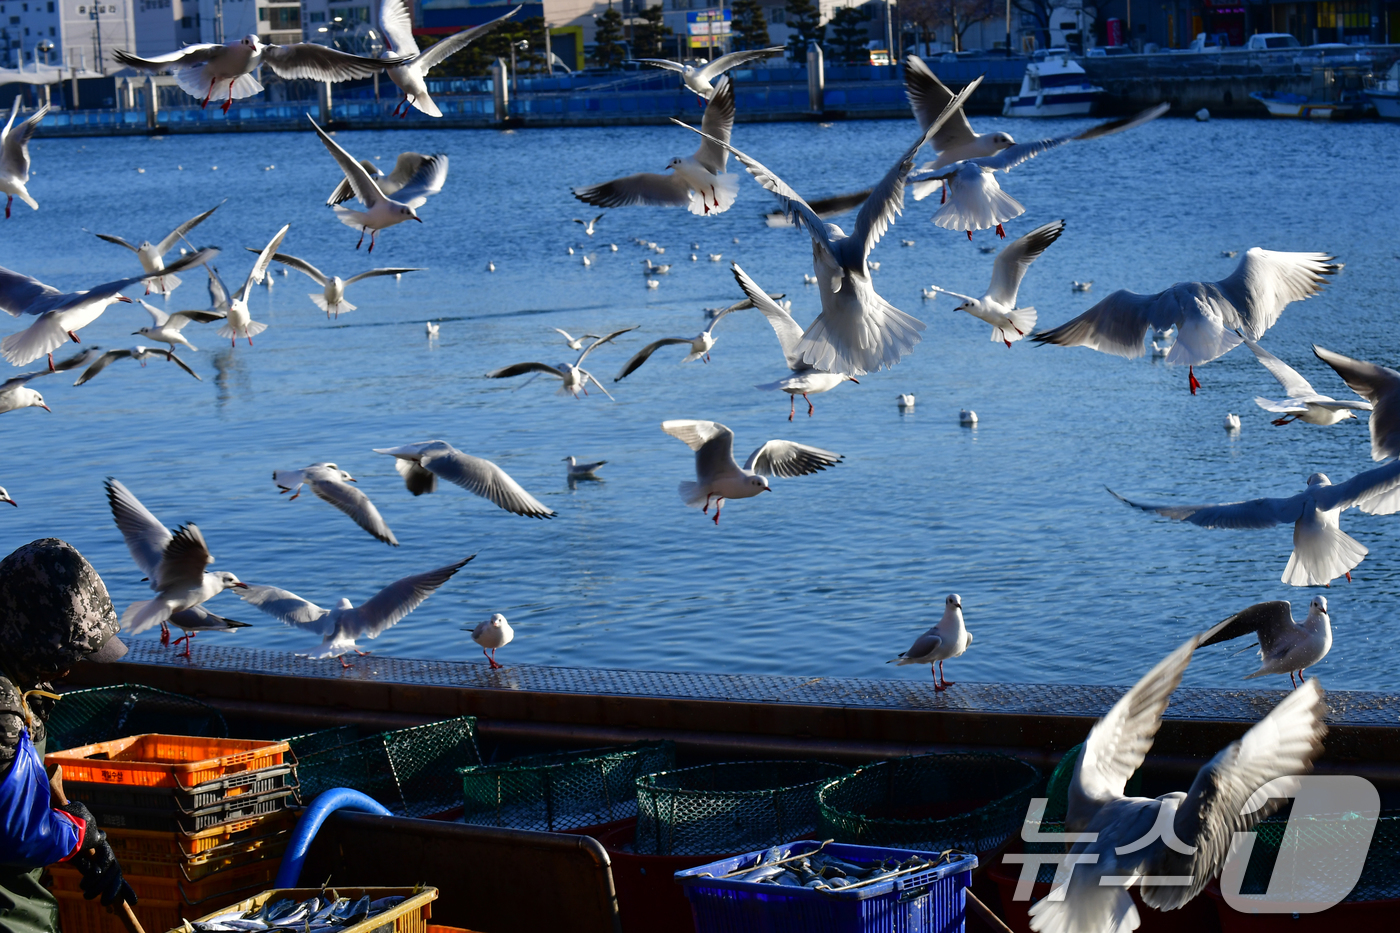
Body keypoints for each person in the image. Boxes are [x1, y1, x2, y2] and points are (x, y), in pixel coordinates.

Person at [1, 538, 136, 930]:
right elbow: (18, 833)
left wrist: (75, 838)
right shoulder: (2, 702)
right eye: (67, 655)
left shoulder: (18, 678)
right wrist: (78, 832)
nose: (69, 669)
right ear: (32, 636)